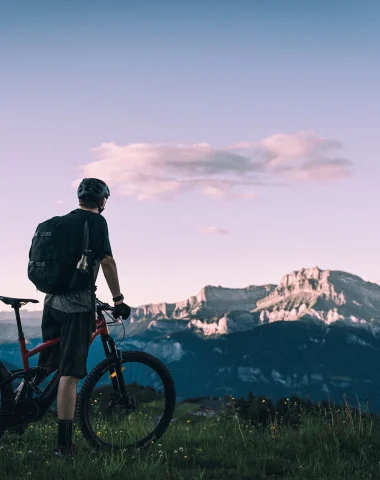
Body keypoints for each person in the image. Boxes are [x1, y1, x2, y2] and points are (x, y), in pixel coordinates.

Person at [37, 178, 131, 457]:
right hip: (77, 307)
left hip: (52, 302)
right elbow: (107, 262)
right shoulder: (97, 223)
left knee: (48, 365)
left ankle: (18, 406)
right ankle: (64, 446)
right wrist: (118, 300)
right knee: (70, 373)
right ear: (102, 201)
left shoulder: (60, 222)